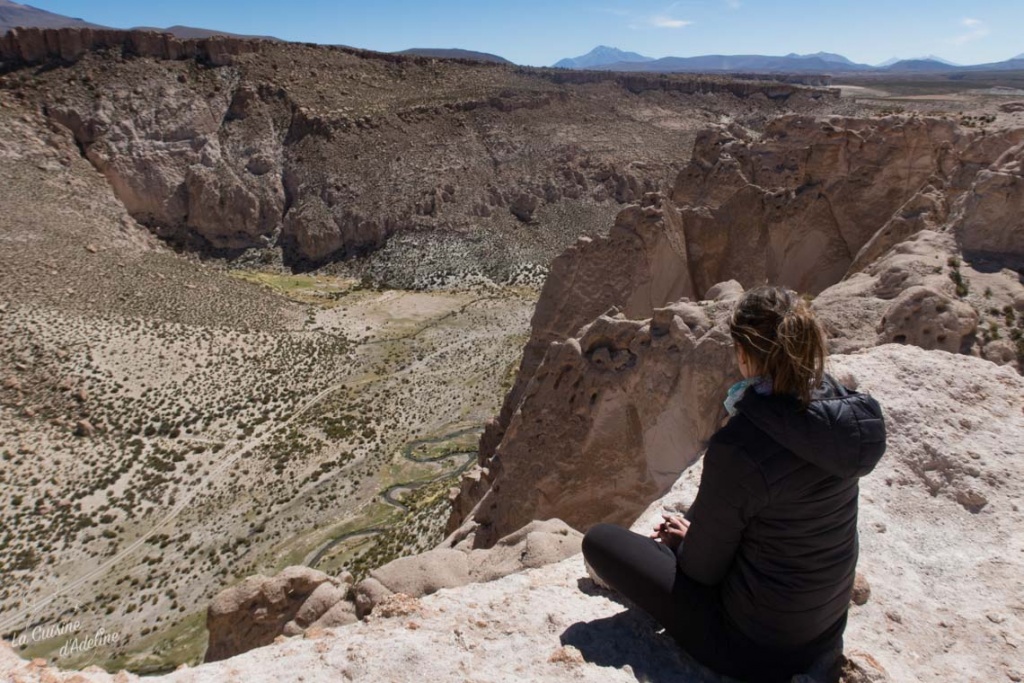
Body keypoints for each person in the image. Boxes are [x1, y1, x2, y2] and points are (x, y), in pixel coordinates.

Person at [582, 286, 887, 683]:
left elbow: (701, 572)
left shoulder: (742, 444)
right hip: (824, 630)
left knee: (602, 542)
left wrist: (688, 539)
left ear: (745, 355)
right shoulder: (841, 414)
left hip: (755, 650)